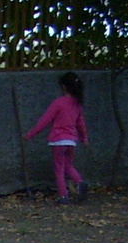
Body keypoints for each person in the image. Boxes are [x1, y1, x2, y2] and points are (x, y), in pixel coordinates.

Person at [25, 72, 90, 204]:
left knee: (59, 169)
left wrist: (30, 134)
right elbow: (81, 123)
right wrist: (84, 138)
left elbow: (45, 121)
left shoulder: (58, 103)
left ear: (64, 87)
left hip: (58, 140)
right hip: (71, 141)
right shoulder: (77, 104)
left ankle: (63, 196)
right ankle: (80, 181)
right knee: (68, 166)